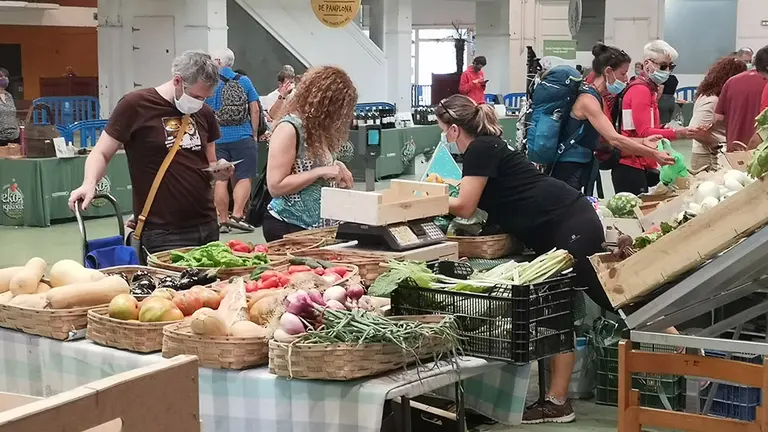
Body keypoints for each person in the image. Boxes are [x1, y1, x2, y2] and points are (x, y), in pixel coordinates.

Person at [436, 94, 608, 424]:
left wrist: (424, 199)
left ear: (455, 129)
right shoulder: (487, 147)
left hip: (567, 223)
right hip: (560, 224)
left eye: (444, 130)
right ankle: (557, 402)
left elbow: (466, 206)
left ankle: (679, 346)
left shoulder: (480, 149)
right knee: (557, 313)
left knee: (611, 298)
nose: (444, 136)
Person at [68, 51, 232, 256]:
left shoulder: (203, 113)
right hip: (163, 232)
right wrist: (89, 182)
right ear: (178, 81)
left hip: (206, 224)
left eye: (205, 98)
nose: (200, 102)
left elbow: (209, 162)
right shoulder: (135, 106)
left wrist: (220, 170)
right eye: (197, 96)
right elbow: (101, 152)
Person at [547, 43, 674, 192]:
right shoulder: (588, 100)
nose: (626, 79)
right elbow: (615, 139)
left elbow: (609, 139)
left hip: (580, 167)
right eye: (623, 73)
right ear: (608, 71)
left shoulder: (598, 98)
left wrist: (643, 141)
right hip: (567, 169)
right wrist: (654, 154)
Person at [263, 66, 356, 241]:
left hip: (317, 228)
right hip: (289, 224)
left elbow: (314, 162)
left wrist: (337, 166)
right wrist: (319, 172)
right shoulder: (289, 129)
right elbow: (276, 186)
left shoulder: (317, 128)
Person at [615, 40, 708, 195]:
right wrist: (678, 133)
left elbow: (649, 128)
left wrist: (669, 130)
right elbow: (645, 132)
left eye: (671, 67)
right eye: (663, 66)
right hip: (632, 163)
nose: (667, 71)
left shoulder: (648, 90)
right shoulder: (640, 91)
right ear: (647, 64)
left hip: (641, 161)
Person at [206, 48, 261, 234]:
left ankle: (222, 220)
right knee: (244, 176)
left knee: (221, 179)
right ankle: (237, 216)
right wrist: (253, 134)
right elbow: (254, 109)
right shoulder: (244, 81)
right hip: (242, 136)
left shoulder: (210, 83)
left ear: (219, 61)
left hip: (217, 138)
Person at [689, 57, 747, 171]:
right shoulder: (712, 100)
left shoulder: (714, 97)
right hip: (706, 157)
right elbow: (693, 131)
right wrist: (717, 145)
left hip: (713, 154)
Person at [715, 45, 768, 150]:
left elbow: (717, 119)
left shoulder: (731, 82)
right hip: (760, 149)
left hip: (735, 147)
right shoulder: (765, 85)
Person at [0, 68, 19, 146]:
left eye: (6, 76)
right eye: (1, 76)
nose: (4, 78)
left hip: (14, 137)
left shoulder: (9, 96)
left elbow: (13, 115)